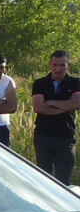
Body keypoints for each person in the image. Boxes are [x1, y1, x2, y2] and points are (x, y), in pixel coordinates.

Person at [31, 50, 80, 184]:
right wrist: (66, 106)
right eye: (55, 65)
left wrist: (51, 103)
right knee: (43, 179)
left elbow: (77, 103)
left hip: (65, 137)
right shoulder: (40, 83)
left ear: (68, 65)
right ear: (50, 64)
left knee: (63, 180)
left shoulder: (75, 82)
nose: (58, 69)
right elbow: (38, 107)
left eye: (62, 65)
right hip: (43, 137)